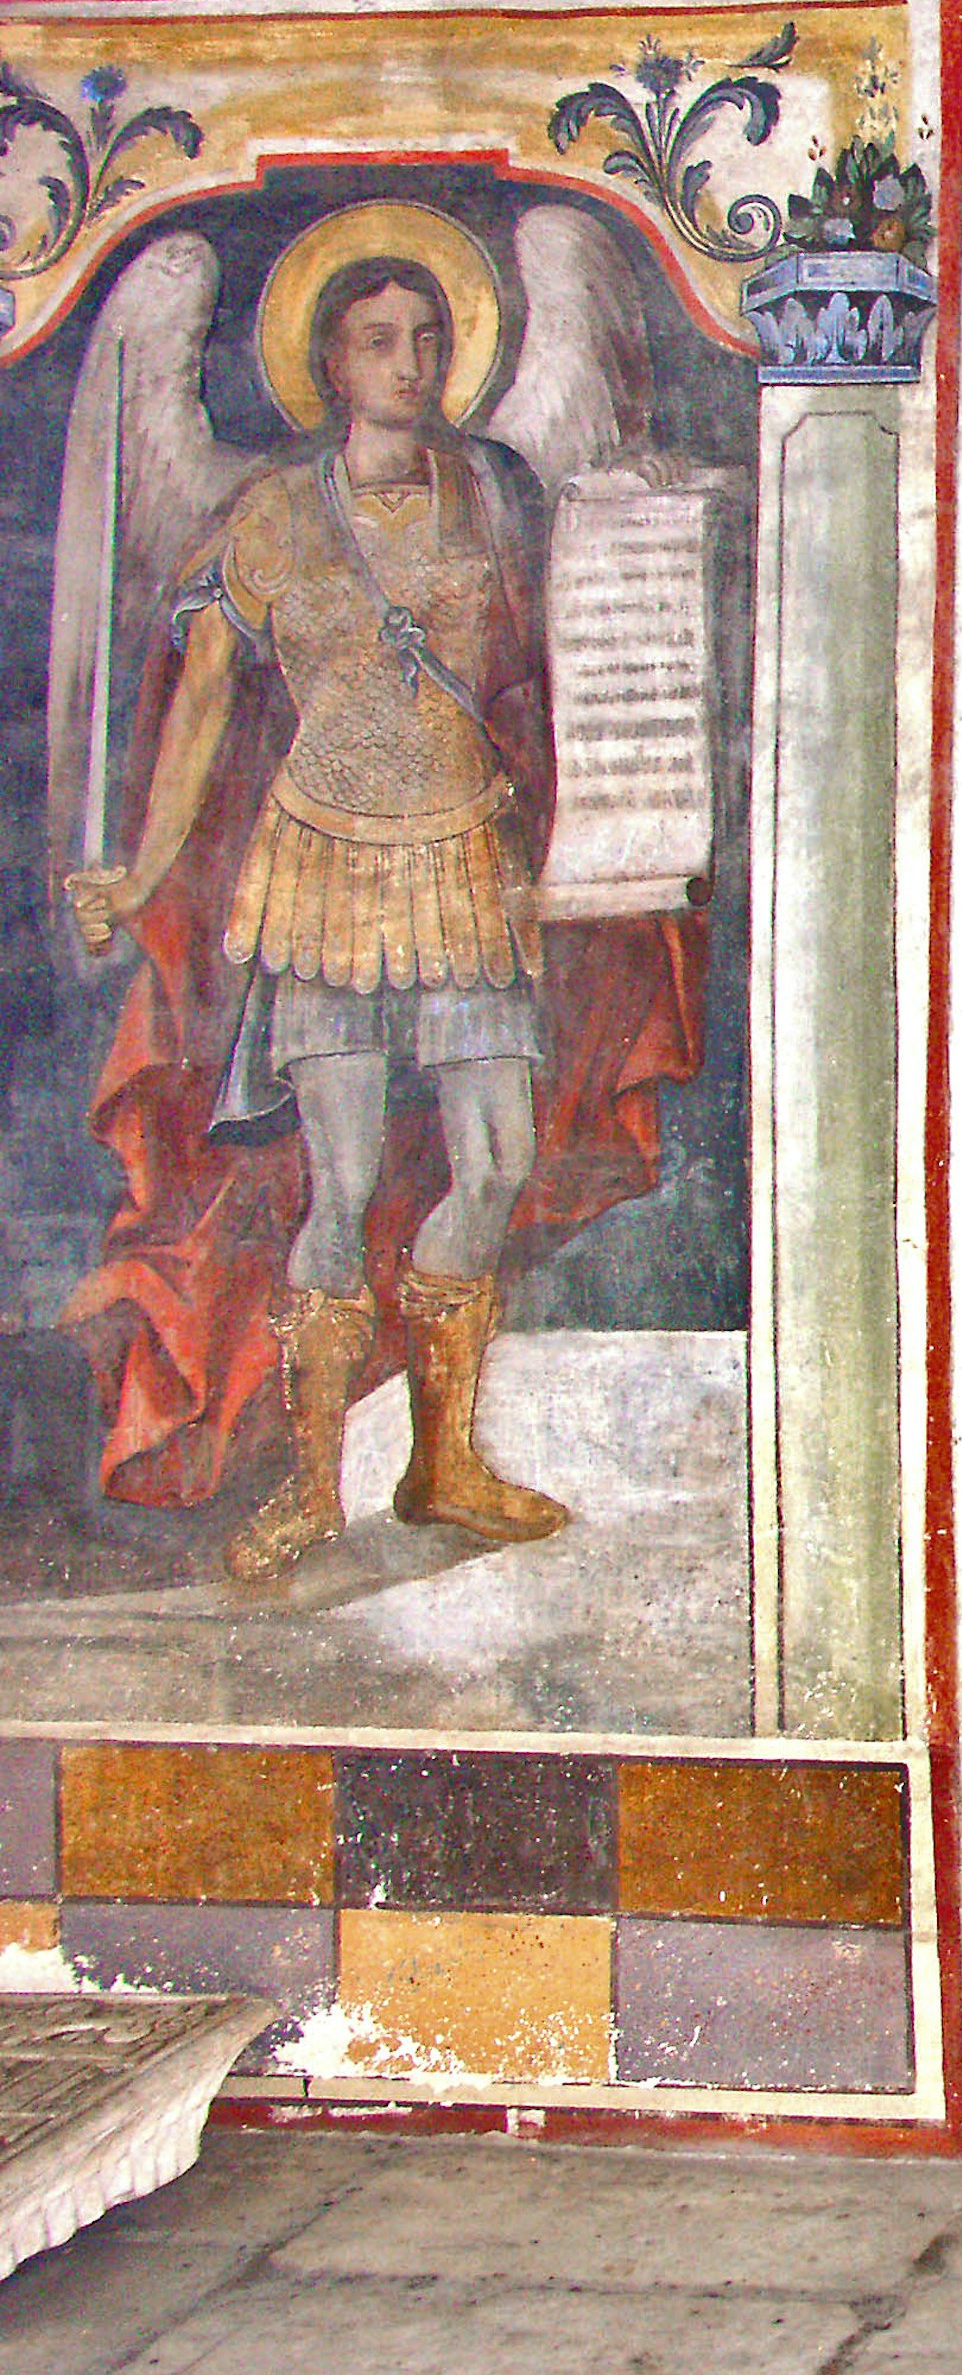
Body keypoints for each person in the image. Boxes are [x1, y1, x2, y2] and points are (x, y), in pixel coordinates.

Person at [63, 241, 696, 1582]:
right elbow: (206, 706)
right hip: (326, 870)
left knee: (495, 1160)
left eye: (423, 336)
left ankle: (444, 1460)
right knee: (341, 1181)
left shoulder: (491, 492)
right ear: (325, 362)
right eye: (375, 340)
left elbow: (557, 653)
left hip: (466, 859)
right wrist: (137, 870)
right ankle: (306, 1487)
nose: (406, 362)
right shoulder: (272, 515)